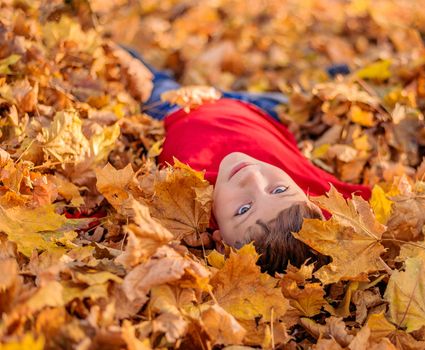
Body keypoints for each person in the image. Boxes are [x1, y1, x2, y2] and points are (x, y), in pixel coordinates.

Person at [124, 48, 371, 273]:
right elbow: (377, 210)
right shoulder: (313, 199)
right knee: (302, 99)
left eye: (244, 209)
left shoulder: (183, 200)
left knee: (137, 66)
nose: (253, 177)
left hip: (178, 107)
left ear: (222, 243)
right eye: (279, 189)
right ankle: (326, 78)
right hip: (259, 110)